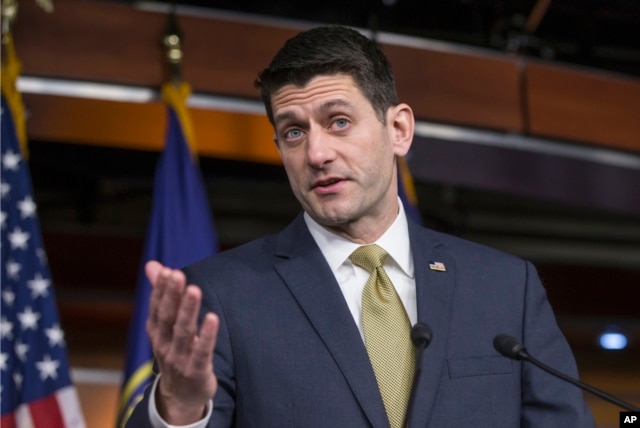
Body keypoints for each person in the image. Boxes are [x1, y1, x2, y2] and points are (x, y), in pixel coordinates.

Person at [126, 25, 595, 427]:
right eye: (294, 132)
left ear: (399, 130)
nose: (316, 154)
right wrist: (180, 408)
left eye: (339, 121)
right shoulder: (221, 296)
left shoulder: (505, 288)